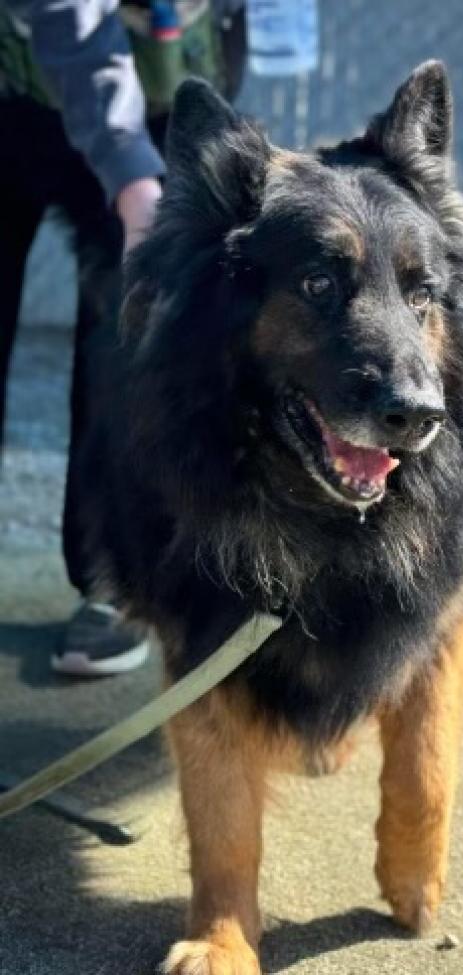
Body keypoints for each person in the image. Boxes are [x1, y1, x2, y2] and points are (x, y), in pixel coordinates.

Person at [0, 0, 245, 676]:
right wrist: (134, 180)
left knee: (123, 346)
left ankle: (108, 577)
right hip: (23, 82)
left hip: (167, 83)